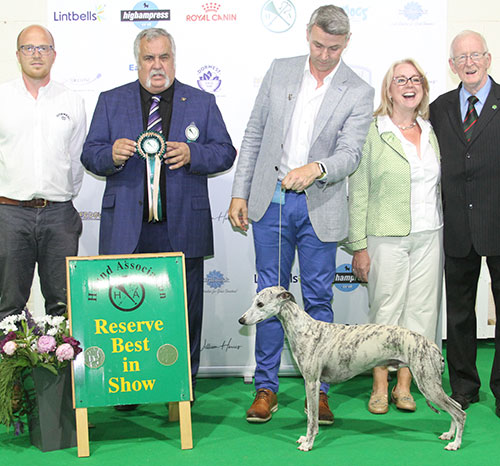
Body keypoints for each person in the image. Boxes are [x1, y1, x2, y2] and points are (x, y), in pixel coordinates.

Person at [229, 5, 374, 424]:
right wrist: (240, 193)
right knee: (270, 297)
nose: (325, 54)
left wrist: (317, 169)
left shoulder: (359, 91)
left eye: (334, 47)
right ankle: (265, 389)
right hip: (269, 201)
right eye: (318, 44)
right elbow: (254, 133)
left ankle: (321, 393)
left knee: (318, 300)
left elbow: (350, 154)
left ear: (346, 43)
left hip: (320, 206)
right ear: (307, 35)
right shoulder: (280, 70)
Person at [81, 28, 236, 401]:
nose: (157, 66)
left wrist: (193, 155)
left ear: (173, 59)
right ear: (138, 61)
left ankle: (183, 385)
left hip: (182, 226)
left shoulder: (201, 100)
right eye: (149, 58)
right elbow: (90, 154)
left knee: (184, 313)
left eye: (163, 57)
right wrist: (110, 155)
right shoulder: (110, 100)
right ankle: (126, 389)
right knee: (123, 316)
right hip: (127, 229)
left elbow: (226, 151)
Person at [349, 59, 443, 415]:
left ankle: (405, 386)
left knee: (420, 315)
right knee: (385, 314)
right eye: (400, 80)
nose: (409, 84)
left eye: (415, 79)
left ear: (423, 89)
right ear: (388, 89)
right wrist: (358, 246)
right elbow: (358, 192)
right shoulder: (373, 131)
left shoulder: (432, 130)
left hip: (430, 234)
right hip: (385, 237)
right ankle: (379, 385)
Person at [430, 30, 500, 417]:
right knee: (458, 314)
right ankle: (464, 387)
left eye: (476, 55)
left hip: (499, 223)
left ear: (488, 59)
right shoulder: (438, 108)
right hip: (456, 227)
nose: (469, 63)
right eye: (461, 57)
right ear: (452, 65)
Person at [0, 25, 86, 323]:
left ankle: (62, 371)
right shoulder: (2, 98)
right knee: (9, 305)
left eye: (43, 48)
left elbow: (76, 161)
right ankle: (10, 371)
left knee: (63, 305)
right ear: (18, 55)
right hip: (9, 214)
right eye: (29, 48)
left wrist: (61, 197)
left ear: (54, 54)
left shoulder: (72, 101)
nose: (36, 54)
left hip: (59, 214)